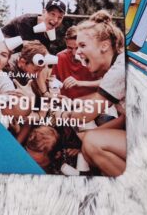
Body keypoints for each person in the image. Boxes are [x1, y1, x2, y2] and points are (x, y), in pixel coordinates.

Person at [50, 10, 126, 177]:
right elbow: (124, 119)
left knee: (92, 144)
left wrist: (63, 114)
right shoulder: (116, 65)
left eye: (82, 46)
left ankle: (135, 185)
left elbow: (86, 114)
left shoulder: (120, 68)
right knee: (88, 146)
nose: (77, 53)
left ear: (104, 46)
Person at [1, 0, 67, 51]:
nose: (55, 20)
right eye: (52, 14)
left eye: (60, 17)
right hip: (2, 46)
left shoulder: (51, 30)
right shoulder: (25, 21)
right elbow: (26, 49)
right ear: (44, 12)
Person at [53, 26, 101, 99]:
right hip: (66, 102)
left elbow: (106, 82)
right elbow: (53, 80)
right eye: (69, 48)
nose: (74, 53)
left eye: (77, 48)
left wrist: (79, 83)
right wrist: (57, 95)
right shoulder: (60, 57)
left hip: (89, 101)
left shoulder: (94, 57)